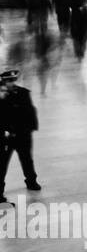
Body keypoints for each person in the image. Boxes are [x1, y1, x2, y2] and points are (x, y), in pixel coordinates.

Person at [0, 68, 40, 203]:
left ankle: (31, 181)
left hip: (23, 134)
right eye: (8, 81)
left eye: (13, 80)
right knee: (2, 163)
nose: (11, 83)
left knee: (27, 159)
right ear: (3, 81)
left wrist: (30, 129)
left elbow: (31, 111)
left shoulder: (23, 93)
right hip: (6, 137)